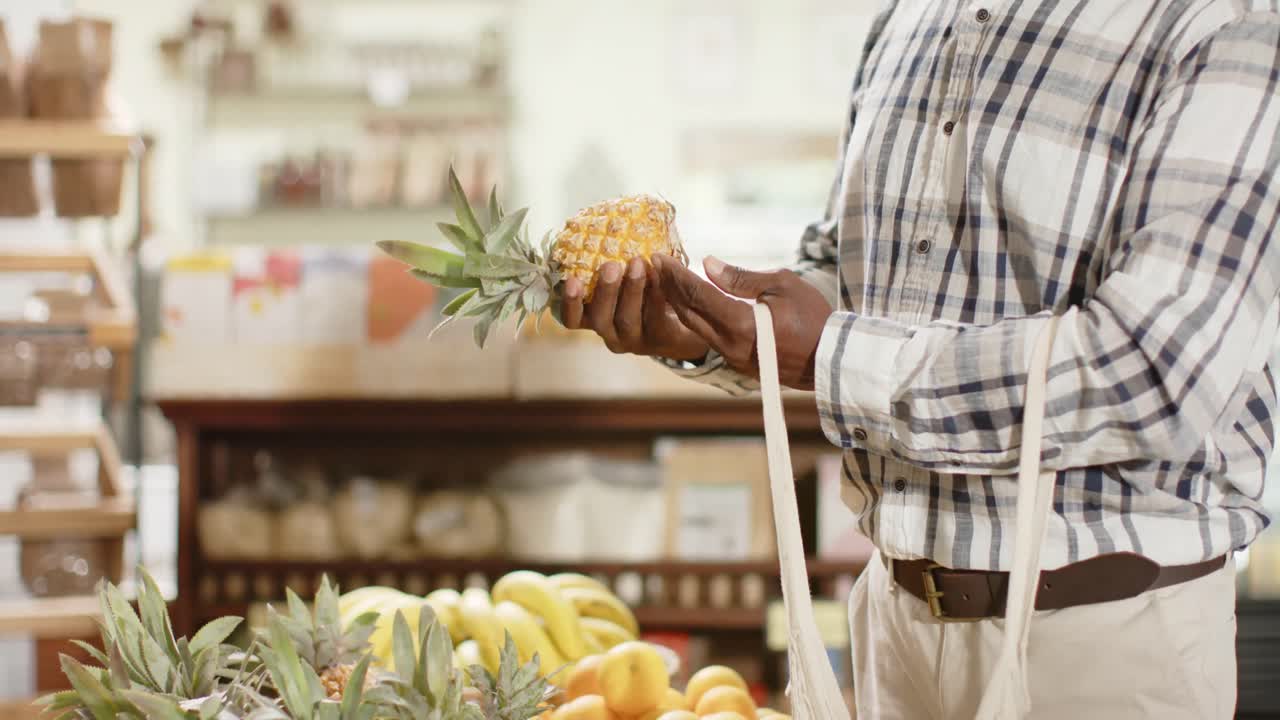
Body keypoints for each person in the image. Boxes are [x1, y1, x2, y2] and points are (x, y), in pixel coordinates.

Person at [562, 2, 1280, 718]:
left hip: (1104, 645)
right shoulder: (908, 18)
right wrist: (703, 329)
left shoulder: (1221, 26)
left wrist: (827, 354)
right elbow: (849, 277)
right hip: (894, 625)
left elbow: (1153, 371)